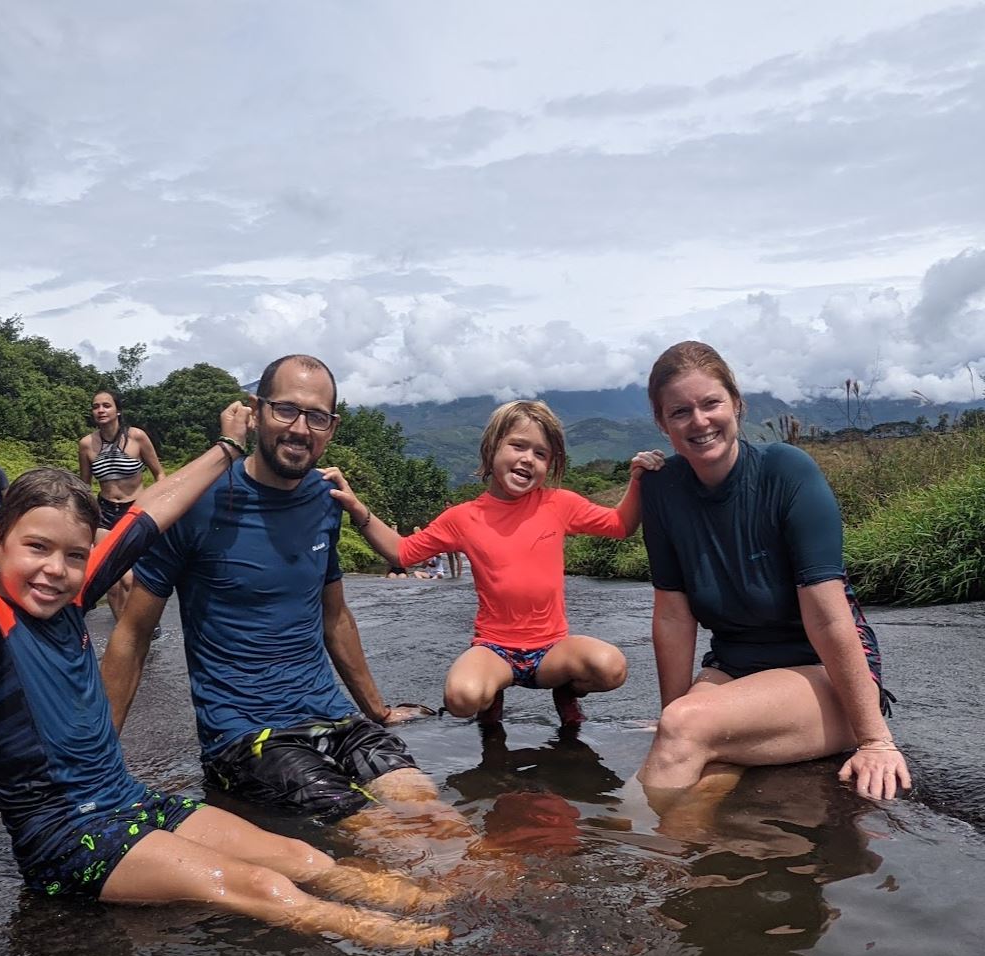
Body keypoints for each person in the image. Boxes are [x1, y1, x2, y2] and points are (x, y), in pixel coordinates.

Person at [0, 361, 446, 949]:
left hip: (128, 800)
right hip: (63, 833)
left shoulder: (72, 595)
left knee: (302, 858)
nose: (55, 570)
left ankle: (449, 901)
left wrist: (226, 448)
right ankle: (428, 947)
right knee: (264, 887)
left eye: (74, 555)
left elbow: (147, 515)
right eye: (35, 548)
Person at [100, 354, 442, 829]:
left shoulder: (326, 500)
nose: (300, 428)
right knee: (379, 835)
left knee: (436, 817)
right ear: (256, 410)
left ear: (332, 427)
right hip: (246, 735)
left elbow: (335, 617)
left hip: (335, 719)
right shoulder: (197, 501)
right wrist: (95, 765)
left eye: (316, 416)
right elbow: (133, 634)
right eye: (286, 410)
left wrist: (377, 710)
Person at [634, 341, 910, 803]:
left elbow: (827, 614)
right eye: (680, 412)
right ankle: (690, 867)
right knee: (690, 739)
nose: (699, 421)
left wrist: (875, 741)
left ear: (736, 405)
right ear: (662, 424)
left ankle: (660, 868)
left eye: (711, 403)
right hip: (734, 668)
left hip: (823, 673)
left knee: (686, 731)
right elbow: (673, 617)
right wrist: (675, 712)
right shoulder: (662, 490)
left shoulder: (787, 471)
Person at [327, 399, 666, 728]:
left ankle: (566, 688)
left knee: (612, 667)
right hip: (495, 650)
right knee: (461, 699)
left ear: (551, 464)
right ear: (491, 449)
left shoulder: (558, 504)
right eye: (518, 446)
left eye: (540, 453)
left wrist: (636, 480)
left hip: (552, 650)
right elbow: (402, 553)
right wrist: (359, 509)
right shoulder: (463, 518)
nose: (528, 459)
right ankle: (492, 696)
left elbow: (620, 525)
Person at [76, 390, 164, 616]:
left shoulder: (137, 437)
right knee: (111, 580)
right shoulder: (87, 444)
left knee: (129, 578)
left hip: (135, 509)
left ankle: (140, 621)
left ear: (118, 410)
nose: (100, 410)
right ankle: (121, 630)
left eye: (106, 405)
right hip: (105, 511)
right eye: (96, 406)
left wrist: (159, 506)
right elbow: (84, 486)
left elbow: (159, 474)